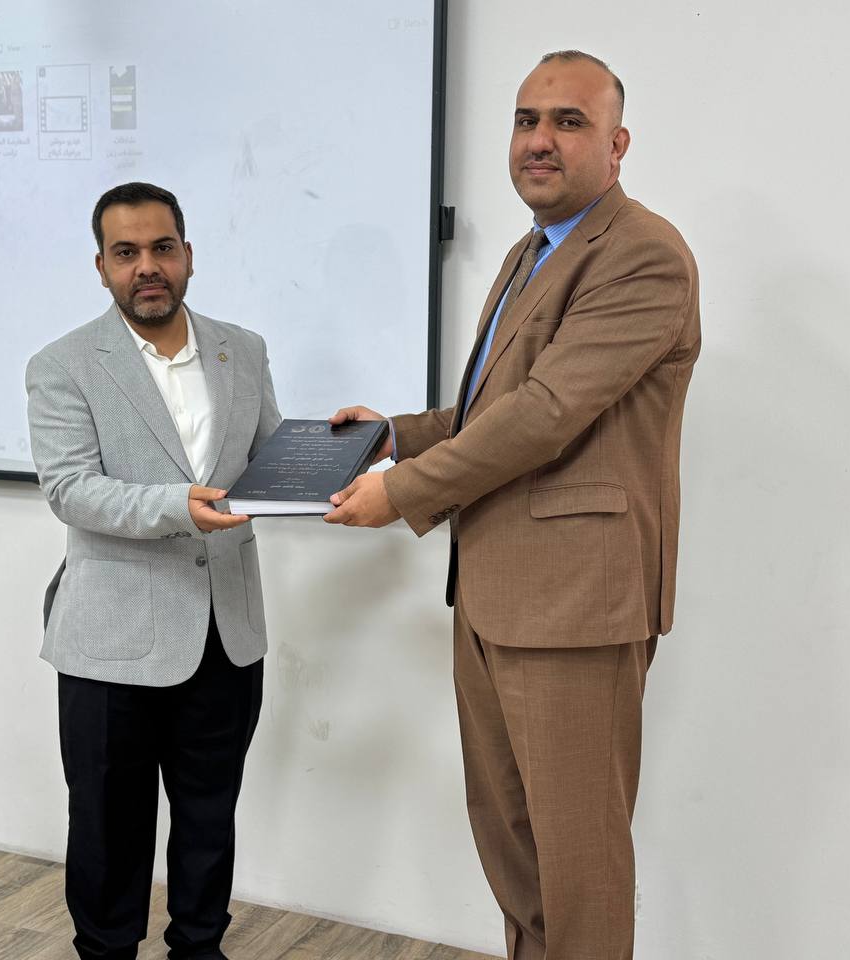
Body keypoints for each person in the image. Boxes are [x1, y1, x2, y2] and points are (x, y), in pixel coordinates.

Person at [325, 51, 700, 960]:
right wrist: (395, 437)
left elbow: (546, 414)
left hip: (576, 607)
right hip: (493, 597)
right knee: (515, 853)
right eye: (527, 119)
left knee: (580, 866)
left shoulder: (643, 254)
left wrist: (400, 493)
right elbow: (494, 411)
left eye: (569, 122)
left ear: (617, 144)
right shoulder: (531, 251)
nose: (540, 140)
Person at [26, 181, 280, 960]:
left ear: (188, 256)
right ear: (101, 266)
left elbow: (269, 460)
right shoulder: (63, 364)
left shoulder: (244, 349)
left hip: (225, 632)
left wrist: (342, 457)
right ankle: (107, 952)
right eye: (126, 252)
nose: (147, 267)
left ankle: (200, 948)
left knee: (210, 815)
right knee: (109, 824)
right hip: (112, 642)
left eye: (162, 248)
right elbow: (71, 489)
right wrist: (180, 506)